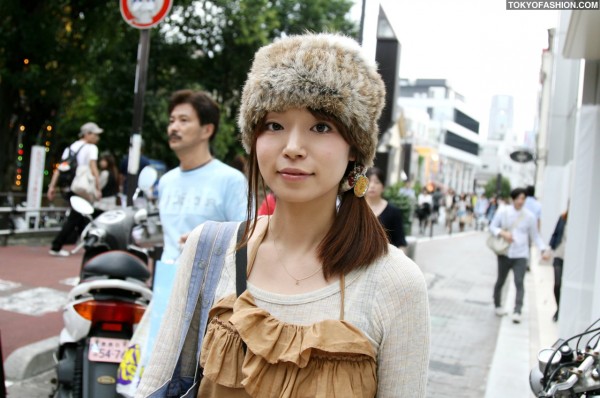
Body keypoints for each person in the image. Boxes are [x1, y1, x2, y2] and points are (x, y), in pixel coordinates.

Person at [137, 33, 430, 397]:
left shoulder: (395, 282)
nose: (292, 148)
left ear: (355, 149)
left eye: (320, 127)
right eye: (274, 125)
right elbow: (156, 384)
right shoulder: (209, 250)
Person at [158, 89, 248, 264]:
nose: (174, 127)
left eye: (183, 120)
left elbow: (247, 239)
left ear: (207, 130)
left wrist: (205, 242)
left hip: (211, 285)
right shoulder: (165, 182)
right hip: (167, 282)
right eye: (172, 121)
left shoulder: (231, 180)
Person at [489, 187, 549, 324]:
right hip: (504, 252)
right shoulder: (503, 212)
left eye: (523, 199)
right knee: (501, 280)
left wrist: (543, 249)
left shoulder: (529, 216)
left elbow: (535, 236)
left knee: (519, 282)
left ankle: (517, 310)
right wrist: (502, 233)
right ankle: (498, 305)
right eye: (519, 198)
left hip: (521, 254)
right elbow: (492, 227)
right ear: (513, 199)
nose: (521, 201)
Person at [46, 122, 103, 257]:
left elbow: (60, 169)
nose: (97, 138)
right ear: (87, 134)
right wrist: (98, 187)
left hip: (70, 186)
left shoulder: (70, 148)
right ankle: (56, 245)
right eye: (95, 134)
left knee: (82, 216)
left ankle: (90, 245)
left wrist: (52, 187)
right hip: (82, 187)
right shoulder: (91, 148)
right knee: (76, 216)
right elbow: (93, 167)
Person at [366, 167, 408, 249]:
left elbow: (400, 243)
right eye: (368, 181)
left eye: (377, 182)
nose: (372, 186)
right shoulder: (354, 209)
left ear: (383, 187)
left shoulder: (393, 212)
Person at [548, 208, 568, 322]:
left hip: (571, 260)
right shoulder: (563, 218)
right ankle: (559, 308)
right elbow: (555, 234)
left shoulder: (582, 222)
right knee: (557, 284)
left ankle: (561, 310)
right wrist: (549, 250)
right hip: (559, 255)